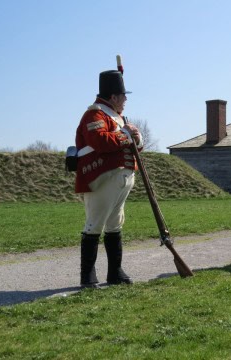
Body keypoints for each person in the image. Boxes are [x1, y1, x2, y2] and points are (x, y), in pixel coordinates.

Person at [75, 70, 144, 288]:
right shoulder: (94, 115)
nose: (125, 100)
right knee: (94, 224)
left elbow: (135, 145)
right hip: (101, 178)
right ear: (113, 97)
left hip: (122, 179)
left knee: (115, 224)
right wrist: (126, 134)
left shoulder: (117, 117)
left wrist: (136, 135)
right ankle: (87, 275)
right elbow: (101, 141)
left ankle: (115, 272)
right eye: (123, 95)